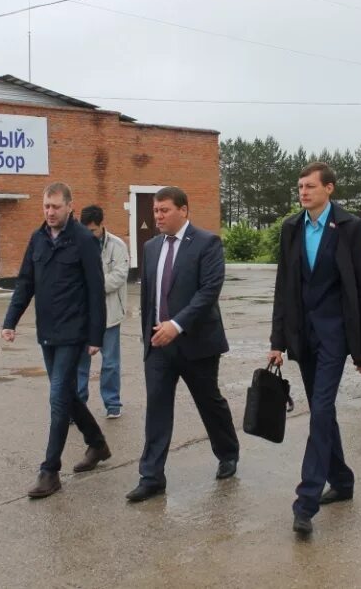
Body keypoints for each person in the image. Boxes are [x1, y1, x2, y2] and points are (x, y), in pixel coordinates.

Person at [269, 161, 361, 536]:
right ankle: (343, 481)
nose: (303, 192)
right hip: (304, 337)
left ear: (329, 188)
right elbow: (285, 286)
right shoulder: (291, 228)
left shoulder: (349, 228)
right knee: (322, 411)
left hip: (335, 336)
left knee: (321, 410)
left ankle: (307, 501)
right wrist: (277, 342)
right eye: (300, 186)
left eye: (310, 186)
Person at [126, 186, 240, 502]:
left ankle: (228, 452)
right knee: (157, 409)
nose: (158, 216)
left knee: (209, 401)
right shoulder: (150, 248)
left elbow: (208, 292)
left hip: (197, 344)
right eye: (156, 210)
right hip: (159, 344)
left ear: (184, 210)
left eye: (164, 210)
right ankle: (151, 477)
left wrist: (176, 325)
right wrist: (149, 339)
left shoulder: (207, 243)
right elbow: (149, 297)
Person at [0, 182, 112, 499]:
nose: (50, 212)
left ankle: (50, 471)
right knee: (66, 395)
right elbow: (25, 283)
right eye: (46, 206)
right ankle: (97, 443)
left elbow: (95, 289)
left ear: (69, 206)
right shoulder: (37, 239)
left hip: (73, 333)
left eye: (56, 207)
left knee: (58, 399)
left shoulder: (84, 241)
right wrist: (10, 321)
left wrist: (95, 335)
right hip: (47, 332)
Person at [76, 205, 129, 419]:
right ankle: (78, 406)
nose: (89, 235)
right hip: (82, 315)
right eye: (85, 230)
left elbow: (119, 275)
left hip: (110, 313)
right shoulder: (76, 244)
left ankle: (113, 404)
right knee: (80, 364)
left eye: (93, 231)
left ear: (101, 226)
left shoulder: (117, 246)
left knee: (110, 363)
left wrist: (91, 285)